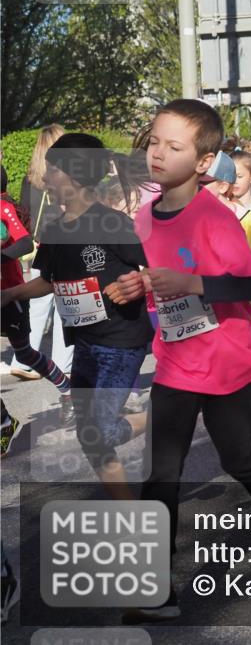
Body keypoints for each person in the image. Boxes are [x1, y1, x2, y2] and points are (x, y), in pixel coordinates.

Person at [106, 100, 251, 623]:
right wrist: (139, 286)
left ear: (202, 162)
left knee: (239, 459)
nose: (156, 153)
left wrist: (193, 283)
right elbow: (161, 280)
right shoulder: (146, 215)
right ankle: (154, 591)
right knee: (161, 474)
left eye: (173, 147)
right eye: (154, 141)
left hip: (225, 360)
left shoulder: (214, 217)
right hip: (176, 362)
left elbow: (247, 283)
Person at [2, 134, 151, 496]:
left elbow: (156, 265)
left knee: (99, 430)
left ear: (75, 174)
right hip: (83, 342)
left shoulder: (112, 223)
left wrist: (141, 281)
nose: (45, 179)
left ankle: (164, 416)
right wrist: (12, 293)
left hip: (121, 340)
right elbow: (51, 281)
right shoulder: (55, 230)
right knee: (92, 437)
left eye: (52, 171)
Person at [200, 151, 251, 458]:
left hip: (239, 308)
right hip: (205, 308)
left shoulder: (249, 218)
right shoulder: (192, 218)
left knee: (243, 371)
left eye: (201, 182)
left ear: (223, 185)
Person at [1, 167, 73, 423]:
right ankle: (4, 422)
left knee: (25, 355)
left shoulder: (3, 208)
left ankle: (67, 390)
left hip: (10, 296)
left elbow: (25, 243)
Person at [11, 125, 73, 381]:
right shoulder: (70, 174)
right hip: (67, 241)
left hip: (40, 244)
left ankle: (24, 359)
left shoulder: (30, 177)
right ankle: (62, 362)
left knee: (36, 303)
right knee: (65, 306)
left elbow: (24, 211)